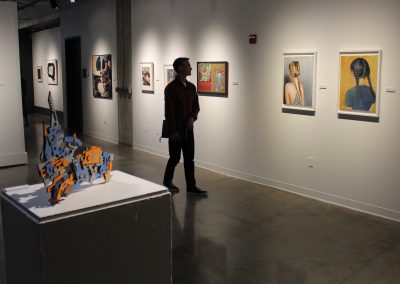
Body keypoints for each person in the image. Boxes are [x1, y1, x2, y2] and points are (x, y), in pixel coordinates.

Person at [163, 57, 207, 196]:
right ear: (180, 69)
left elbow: (196, 106)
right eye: (188, 66)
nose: (191, 68)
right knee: (175, 157)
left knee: (189, 158)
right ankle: (167, 181)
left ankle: (191, 186)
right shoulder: (170, 88)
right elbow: (169, 112)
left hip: (188, 129)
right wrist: (174, 131)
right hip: (176, 130)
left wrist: (192, 118)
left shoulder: (192, 87)